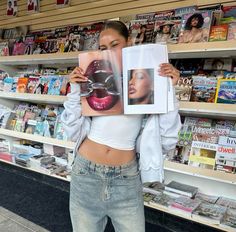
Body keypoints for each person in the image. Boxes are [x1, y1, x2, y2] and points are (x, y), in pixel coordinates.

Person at [61, 20, 181, 232]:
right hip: (86, 173)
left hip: (126, 178)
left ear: (129, 42)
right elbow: (71, 129)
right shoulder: (95, 77)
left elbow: (168, 139)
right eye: (103, 48)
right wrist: (74, 89)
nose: (108, 53)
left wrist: (168, 89)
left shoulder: (146, 76)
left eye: (115, 45)